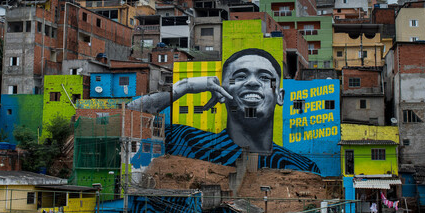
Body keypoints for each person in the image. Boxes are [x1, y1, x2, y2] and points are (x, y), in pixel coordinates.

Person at [128, 48, 320, 174]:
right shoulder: (181, 140)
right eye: (239, 77)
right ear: (222, 91)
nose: (252, 82)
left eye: (264, 77)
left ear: (280, 97)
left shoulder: (303, 167)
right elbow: (130, 115)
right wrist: (184, 86)